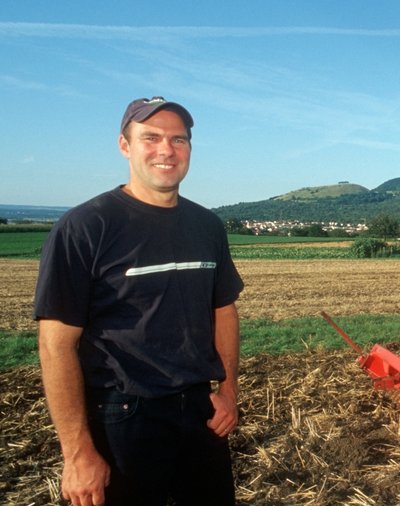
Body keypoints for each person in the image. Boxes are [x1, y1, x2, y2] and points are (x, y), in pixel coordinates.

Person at [34, 97, 244, 506]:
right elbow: (55, 345)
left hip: (200, 413)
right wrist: (77, 453)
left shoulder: (206, 225)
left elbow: (224, 310)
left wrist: (229, 390)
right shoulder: (86, 227)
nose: (166, 149)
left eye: (178, 139)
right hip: (122, 415)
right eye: (150, 137)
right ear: (124, 145)